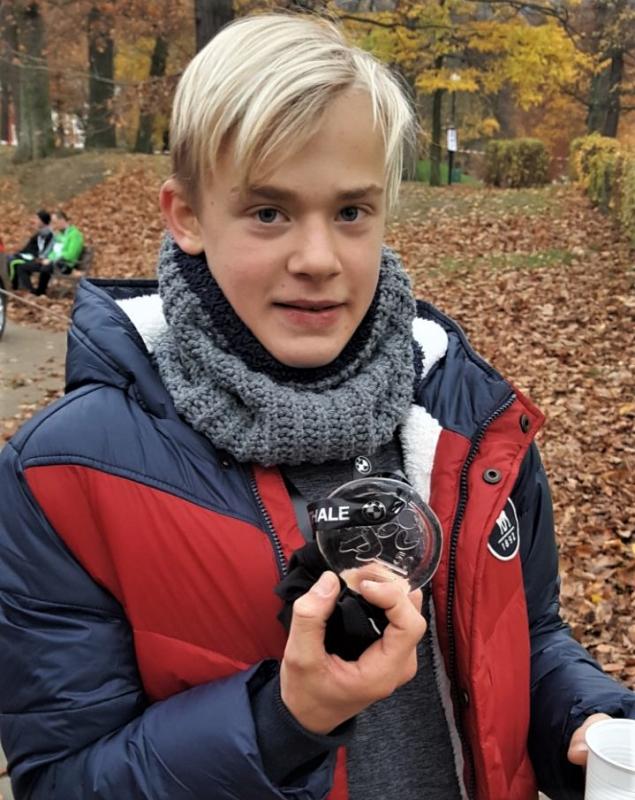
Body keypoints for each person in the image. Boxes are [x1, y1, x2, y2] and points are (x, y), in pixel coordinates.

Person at [0, 14, 632, 800]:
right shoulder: (66, 474)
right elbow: (64, 779)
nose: (317, 259)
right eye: (268, 212)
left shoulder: (467, 419)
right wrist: (282, 721)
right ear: (186, 215)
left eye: (350, 212)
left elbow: (525, 636)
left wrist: (587, 720)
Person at [16, 209, 84, 295]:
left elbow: (70, 255)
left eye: (55, 222)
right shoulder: (59, 235)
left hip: (64, 264)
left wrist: (51, 260)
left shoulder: (75, 235)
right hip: (51, 262)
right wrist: (45, 259)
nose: (53, 225)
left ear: (62, 220)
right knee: (22, 267)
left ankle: (40, 291)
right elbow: (53, 251)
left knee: (46, 268)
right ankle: (31, 291)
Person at [7, 209, 53, 289]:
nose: (35, 221)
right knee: (11, 258)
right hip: (32, 257)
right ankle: (18, 286)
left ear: (42, 221)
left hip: (39, 259)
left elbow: (45, 251)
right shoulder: (39, 234)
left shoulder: (50, 235)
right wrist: (20, 253)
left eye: (37, 219)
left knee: (13, 262)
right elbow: (29, 247)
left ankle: (13, 286)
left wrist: (37, 257)